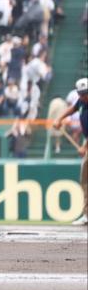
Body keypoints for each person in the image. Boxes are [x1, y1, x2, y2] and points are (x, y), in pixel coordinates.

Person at [52, 77, 88, 225]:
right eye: (81, 93)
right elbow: (72, 109)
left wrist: (84, 147)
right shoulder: (81, 102)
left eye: (85, 93)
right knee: (85, 181)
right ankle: (87, 214)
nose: (83, 96)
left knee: (86, 179)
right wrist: (59, 119)